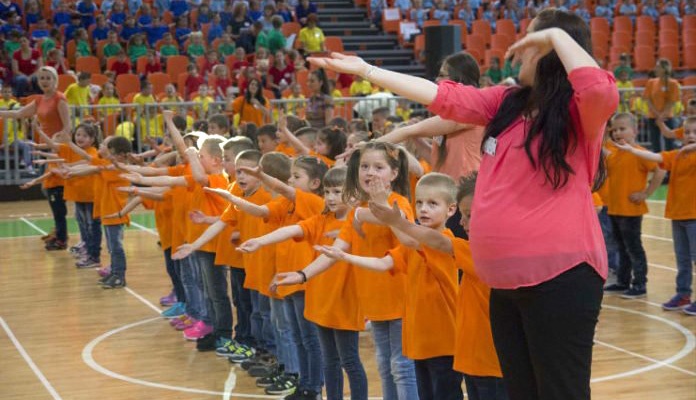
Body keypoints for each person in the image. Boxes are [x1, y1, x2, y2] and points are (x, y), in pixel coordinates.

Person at [302, 8, 619, 400]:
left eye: (532, 42)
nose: (520, 51)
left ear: (554, 53)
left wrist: (557, 37)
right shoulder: (507, 103)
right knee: (521, 391)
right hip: (503, 285)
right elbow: (446, 98)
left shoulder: (577, 114)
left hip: (560, 279)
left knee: (560, 392)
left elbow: (601, 90)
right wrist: (368, 70)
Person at [274, 141, 419, 400]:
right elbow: (335, 251)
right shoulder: (358, 210)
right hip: (375, 302)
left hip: (401, 300)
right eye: (364, 166)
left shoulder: (399, 203)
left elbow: (408, 238)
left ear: (394, 174)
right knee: (385, 367)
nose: (369, 172)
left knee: (402, 368)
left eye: (378, 167)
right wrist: (302, 274)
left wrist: (379, 204)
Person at [314, 172, 463, 400]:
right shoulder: (414, 242)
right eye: (420, 202)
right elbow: (384, 263)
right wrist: (344, 256)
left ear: (451, 210)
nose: (423, 209)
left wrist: (389, 213)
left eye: (432, 204)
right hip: (420, 342)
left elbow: (410, 239)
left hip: (444, 342)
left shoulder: (445, 241)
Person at [239, 167, 368, 400]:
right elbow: (291, 229)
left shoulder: (357, 223)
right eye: (328, 191)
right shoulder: (321, 219)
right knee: (329, 360)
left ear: (354, 195)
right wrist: (260, 241)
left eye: (337, 191)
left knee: (350, 360)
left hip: (345, 301)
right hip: (319, 301)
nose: (330, 197)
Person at [612, 116, 696, 314]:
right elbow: (658, 158)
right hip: (678, 216)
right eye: (687, 133)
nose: (690, 136)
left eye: (694, 132)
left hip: (694, 217)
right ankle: (683, 293)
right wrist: (632, 150)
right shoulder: (677, 155)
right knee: (682, 260)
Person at [0, 66, 71, 250]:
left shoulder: (60, 99)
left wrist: (56, 146)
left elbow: (67, 128)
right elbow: (17, 114)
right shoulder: (39, 100)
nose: (45, 81)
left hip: (55, 151)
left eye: (48, 77)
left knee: (55, 194)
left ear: (55, 79)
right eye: (42, 78)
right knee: (48, 192)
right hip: (43, 150)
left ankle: (62, 237)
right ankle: (59, 230)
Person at [643, 58, 681, 152]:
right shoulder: (651, 82)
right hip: (653, 117)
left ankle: (670, 165)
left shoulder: (673, 83)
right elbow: (648, 99)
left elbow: (671, 102)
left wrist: (662, 115)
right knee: (655, 144)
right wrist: (657, 115)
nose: (655, 69)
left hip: (667, 117)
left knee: (670, 144)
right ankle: (657, 165)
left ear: (665, 69)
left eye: (658, 67)